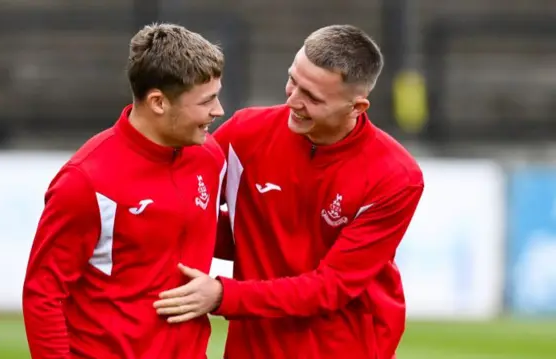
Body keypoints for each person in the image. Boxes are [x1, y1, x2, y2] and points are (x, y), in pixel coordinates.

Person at [154, 24, 424, 359]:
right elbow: (193, 212)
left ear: (357, 108)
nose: (292, 100)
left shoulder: (396, 177)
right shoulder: (244, 135)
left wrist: (223, 295)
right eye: (293, 80)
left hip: (343, 347)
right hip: (252, 346)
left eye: (312, 97)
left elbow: (332, 286)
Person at [22, 23, 227, 359]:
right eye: (207, 100)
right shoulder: (85, 180)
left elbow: (205, 229)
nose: (218, 111)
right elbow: (44, 292)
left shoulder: (209, 157)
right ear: (158, 102)